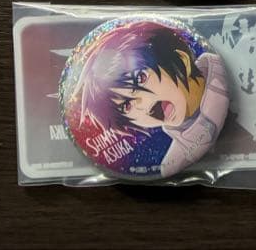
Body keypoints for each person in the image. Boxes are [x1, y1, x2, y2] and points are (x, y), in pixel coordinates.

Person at [67, 20, 229, 178]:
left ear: (182, 60)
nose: (140, 104)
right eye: (126, 106)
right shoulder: (173, 162)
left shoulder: (226, 78)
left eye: (140, 78)